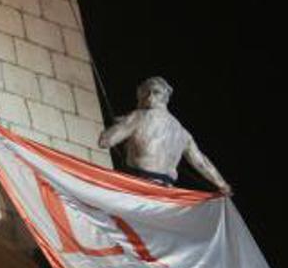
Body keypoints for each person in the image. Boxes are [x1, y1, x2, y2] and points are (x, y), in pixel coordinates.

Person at [98, 76, 231, 194]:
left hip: (137, 187)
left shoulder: (139, 116)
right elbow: (201, 163)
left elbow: (105, 141)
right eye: (147, 92)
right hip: (165, 193)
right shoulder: (182, 132)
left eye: (154, 92)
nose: (149, 96)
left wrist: (120, 125)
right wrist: (223, 185)